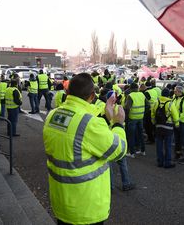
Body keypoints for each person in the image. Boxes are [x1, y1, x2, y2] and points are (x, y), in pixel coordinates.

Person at [43, 73, 127, 225]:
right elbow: (119, 150)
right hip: (86, 208)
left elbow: (79, 132)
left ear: (67, 92)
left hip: (61, 202)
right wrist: (118, 123)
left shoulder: (52, 115)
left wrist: (105, 117)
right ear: (92, 96)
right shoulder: (90, 124)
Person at [152, 88, 179, 168]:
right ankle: (167, 163)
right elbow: (175, 115)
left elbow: (153, 114)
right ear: (168, 95)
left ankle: (160, 162)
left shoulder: (156, 102)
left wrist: (154, 122)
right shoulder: (170, 103)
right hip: (168, 128)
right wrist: (177, 124)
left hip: (158, 127)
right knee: (168, 145)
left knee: (159, 145)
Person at [124, 83, 148, 157]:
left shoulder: (130, 96)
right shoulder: (142, 94)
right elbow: (148, 105)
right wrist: (143, 112)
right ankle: (142, 151)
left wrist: (127, 116)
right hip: (140, 117)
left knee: (132, 135)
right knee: (140, 134)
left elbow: (127, 108)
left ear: (131, 89)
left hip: (132, 118)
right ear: (137, 88)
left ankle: (132, 153)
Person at [173, 86, 184, 163]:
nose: (174, 92)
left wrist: (176, 118)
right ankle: (178, 154)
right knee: (177, 140)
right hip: (176, 122)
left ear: (180, 92)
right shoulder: (175, 99)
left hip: (182, 123)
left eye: (175, 91)